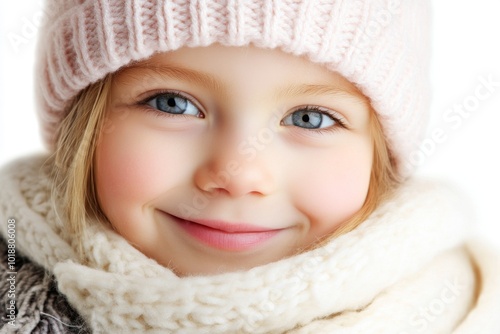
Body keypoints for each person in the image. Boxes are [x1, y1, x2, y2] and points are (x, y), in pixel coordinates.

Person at [1, 0, 499, 333]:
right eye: (172, 103)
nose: (238, 174)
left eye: (311, 117)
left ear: (379, 155)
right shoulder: (13, 299)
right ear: (81, 128)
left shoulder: (463, 310)